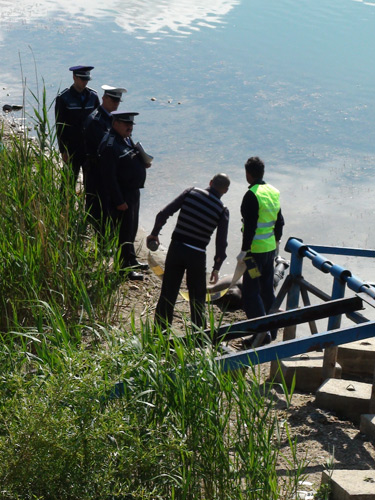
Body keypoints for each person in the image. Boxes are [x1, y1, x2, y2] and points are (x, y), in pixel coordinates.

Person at [147, 173, 230, 330]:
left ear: (210, 182)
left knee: (168, 292)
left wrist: (155, 233)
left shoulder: (191, 192)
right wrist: (216, 267)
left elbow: (163, 213)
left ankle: (160, 333)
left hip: (177, 248)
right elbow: (221, 243)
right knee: (197, 297)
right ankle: (198, 338)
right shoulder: (222, 211)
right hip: (197, 255)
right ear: (225, 191)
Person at [97, 110, 151, 280]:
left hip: (133, 193)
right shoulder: (110, 145)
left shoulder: (125, 138)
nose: (130, 127)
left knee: (132, 228)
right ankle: (123, 269)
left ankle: (131, 259)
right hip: (122, 195)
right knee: (123, 232)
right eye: (126, 124)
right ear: (115, 124)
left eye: (131, 125)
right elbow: (108, 177)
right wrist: (119, 200)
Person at [237, 156, 284, 344]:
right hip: (270, 250)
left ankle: (260, 334)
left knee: (250, 293)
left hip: (254, 253)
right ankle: (272, 331)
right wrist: (277, 241)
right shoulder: (273, 192)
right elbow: (279, 221)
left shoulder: (252, 195)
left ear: (248, 174)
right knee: (267, 290)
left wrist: (244, 250)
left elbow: (250, 227)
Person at [83, 85, 127, 225]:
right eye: (112, 100)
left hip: (105, 169)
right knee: (96, 204)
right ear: (103, 98)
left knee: (106, 206)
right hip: (96, 169)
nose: (115, 104)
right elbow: (103, 149)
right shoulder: (96, 120)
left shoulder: (113, 119)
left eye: (118, 101)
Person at [55, 65, 100, 190]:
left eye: (87, 80)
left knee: (91, 184)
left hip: (89, 148)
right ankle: (63, 207)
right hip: (72, 148)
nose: (85, 82)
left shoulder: (93, 96)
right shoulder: (63, 98)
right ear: (74, 77)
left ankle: (87, 208)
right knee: (67, 183)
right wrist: (63, 150)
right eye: (82, 79)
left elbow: (98, 122)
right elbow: (60, 126)